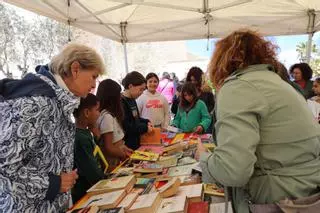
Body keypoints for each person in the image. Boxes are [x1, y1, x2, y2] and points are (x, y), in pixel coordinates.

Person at [197, 29, 320, 213]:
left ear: (222, 61)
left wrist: (204, 158)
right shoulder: (278, 83)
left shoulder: (239, 86)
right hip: (304, 193)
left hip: (277, 199)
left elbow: (233, 171)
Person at [0, 43, 105, 212]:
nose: (94, 84)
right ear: (75, 69)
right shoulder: (36, 103)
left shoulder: (56, 99)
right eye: (93, 76)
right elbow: (4, 167)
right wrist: (54, 183)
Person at [72, 94, 105, 203]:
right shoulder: (80, 138)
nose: (99, 113)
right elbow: (91, 170)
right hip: (86, 191)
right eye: (97, 110)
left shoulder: (85, 132)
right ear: (86, 113)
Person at [96, 79, 133, 170]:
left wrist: (124, 149)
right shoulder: (107, 117)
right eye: (118, 94)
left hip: (117, 157)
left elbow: (116, 141)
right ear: (112, 97)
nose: (120, 96)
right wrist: (123, 154)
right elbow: (109, 147)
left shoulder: (110, 114)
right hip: (113, 162)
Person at [121, 71, 153, 150]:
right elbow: (127, 126)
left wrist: (146, 121)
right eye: (140, 89)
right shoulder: (122, 102)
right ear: (131, 86)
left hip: (136, 141)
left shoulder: (132, 99)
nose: (142, 93)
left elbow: (136, 118)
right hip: (127, 145)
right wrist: (145, 128)